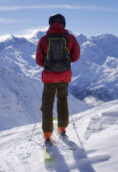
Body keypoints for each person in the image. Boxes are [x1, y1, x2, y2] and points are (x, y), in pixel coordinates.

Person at [35, 14, 80, 146]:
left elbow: (38, 60)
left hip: (49, 77)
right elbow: (76, 56)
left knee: (47, 104)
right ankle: (62, 129)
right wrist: (65, 63)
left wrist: (49, 66)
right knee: (62, 100)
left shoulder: (44, 39)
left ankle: (48, 135)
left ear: (50, 24)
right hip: (64, 76)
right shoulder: (70, 38)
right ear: (63, 24)